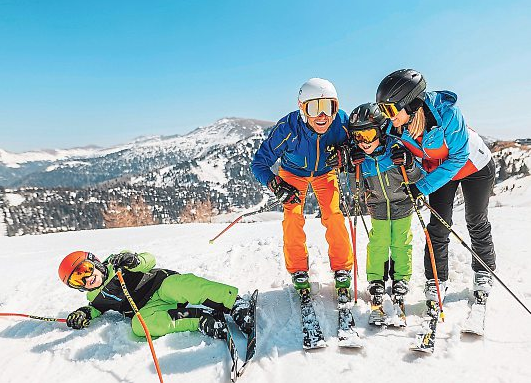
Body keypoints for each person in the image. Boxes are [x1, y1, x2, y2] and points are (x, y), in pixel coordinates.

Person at [375, 69, 496, 311]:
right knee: (438, 225)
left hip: (474, 165)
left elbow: (458, 158)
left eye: (389, 109)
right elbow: (370, 142)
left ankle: (483, 271)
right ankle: (436, 279)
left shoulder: (448, 114)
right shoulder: (395, 126)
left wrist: (422, 186)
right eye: (382, 110)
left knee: (475, 219)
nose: (386, 117)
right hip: (440, 171)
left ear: (410, 104)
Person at [251, 78, 353, 298]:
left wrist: (346, 155)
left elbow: (357, 146)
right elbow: (259, 163)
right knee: (293, 217)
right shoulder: (288, 128)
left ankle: (342, 267)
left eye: (329, 107)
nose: (322, 116)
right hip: (293, 174)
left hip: (325, 172)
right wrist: (275, 184)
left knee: (333, 215)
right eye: (314, 108)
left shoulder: (341, 122)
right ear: (302, 108)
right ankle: (298, 269)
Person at [58, 250, 253, 339]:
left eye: (85, 270)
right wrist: (83, 313)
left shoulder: (117, 262)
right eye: (77, 280)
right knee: (139, 326)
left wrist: (134, 261)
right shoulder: (95, 297)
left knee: (184, 286)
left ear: (95, 262)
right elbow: (95, 309)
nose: (86, 279)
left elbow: (148, 260)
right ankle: (199, 319)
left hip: (160, 285)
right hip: (149, 308)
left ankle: (234, 303)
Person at [346, 103, 423, 325]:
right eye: (357, 136)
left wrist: (407, 163)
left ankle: (400, 279)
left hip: (402, 202)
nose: (364, 142)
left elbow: (417, 177)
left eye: (368, 134)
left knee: (401, 242)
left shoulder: (397, 149)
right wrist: (353, 170)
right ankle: (376, 281)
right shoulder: (360, 158)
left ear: (381, 130)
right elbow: (356, 190)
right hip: (377, 206)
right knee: (378, 242)